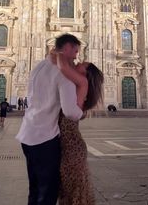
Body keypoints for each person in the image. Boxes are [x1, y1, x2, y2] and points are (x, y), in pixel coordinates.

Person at [16, 34, 83, 205]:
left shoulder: (38, 67)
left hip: (27, 134)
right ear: (67, 48)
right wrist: (81, 111)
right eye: (75, 51)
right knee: (48, 191)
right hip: (45, 138)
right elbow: (70, 112)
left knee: (35, 187)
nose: (76, 56)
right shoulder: (63, 74)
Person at [54, 52, 104, 205]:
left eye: (83, 63)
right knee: (69, 195)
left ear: (85, 73)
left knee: (73, 195)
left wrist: (61, 51)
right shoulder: (75, 86)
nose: (78, 61)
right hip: (69, 147)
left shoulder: (82, 83)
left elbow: (62, 65)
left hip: (71, 149)